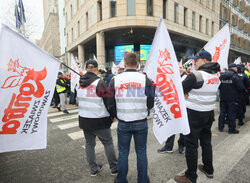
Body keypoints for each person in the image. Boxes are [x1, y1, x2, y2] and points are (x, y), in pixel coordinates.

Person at [174, 50, 220, 183]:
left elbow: (178, 90)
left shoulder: (196, 75)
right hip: (208, 114)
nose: (194, 62)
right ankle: (208, 168)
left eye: (197, 60)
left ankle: (190, 176)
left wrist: (185, 93)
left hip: (194, 114)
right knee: (206, 142)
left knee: (191, 144)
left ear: (205, 61)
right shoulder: (215, 76)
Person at [108, 53, 154, 183]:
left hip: (123, 122)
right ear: (137, 64)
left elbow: (110, 102)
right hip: (140, 121)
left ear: (124, 64)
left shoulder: (115, 79)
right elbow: (151, 102)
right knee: (141, 152)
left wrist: (116, 115)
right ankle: (143, 180)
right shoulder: (145, 79)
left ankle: (121, 180)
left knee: (123, 153)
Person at [78, 60, 117, 177]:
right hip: (99, 120)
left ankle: (93, 169)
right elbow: (108, 102)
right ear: (96, 68)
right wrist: (112, 115)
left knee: (89, 145)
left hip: (85, 119)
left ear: (86, 68)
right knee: (108, 143)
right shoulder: (99, 83)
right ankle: (114, 168)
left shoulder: (79, 82)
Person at [157, 62, 186, 154]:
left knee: (183, 128)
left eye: (181, 67)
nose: (180, 69)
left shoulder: (188, 77)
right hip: (172, 107)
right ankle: (168, 146)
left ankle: (181, 145)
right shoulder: (170, 78)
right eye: (178, 68)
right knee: (171, 127)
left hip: (184, 108)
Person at [218, 63, 245, 133]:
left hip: (223, 97)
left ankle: (220, 127)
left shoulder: (222, 76)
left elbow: (218, 86)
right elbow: (241, 88)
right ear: (234, 68)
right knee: (231, 114)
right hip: (233, 98)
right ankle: (231, 129)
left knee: (222, 112)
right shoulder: (235, 76)